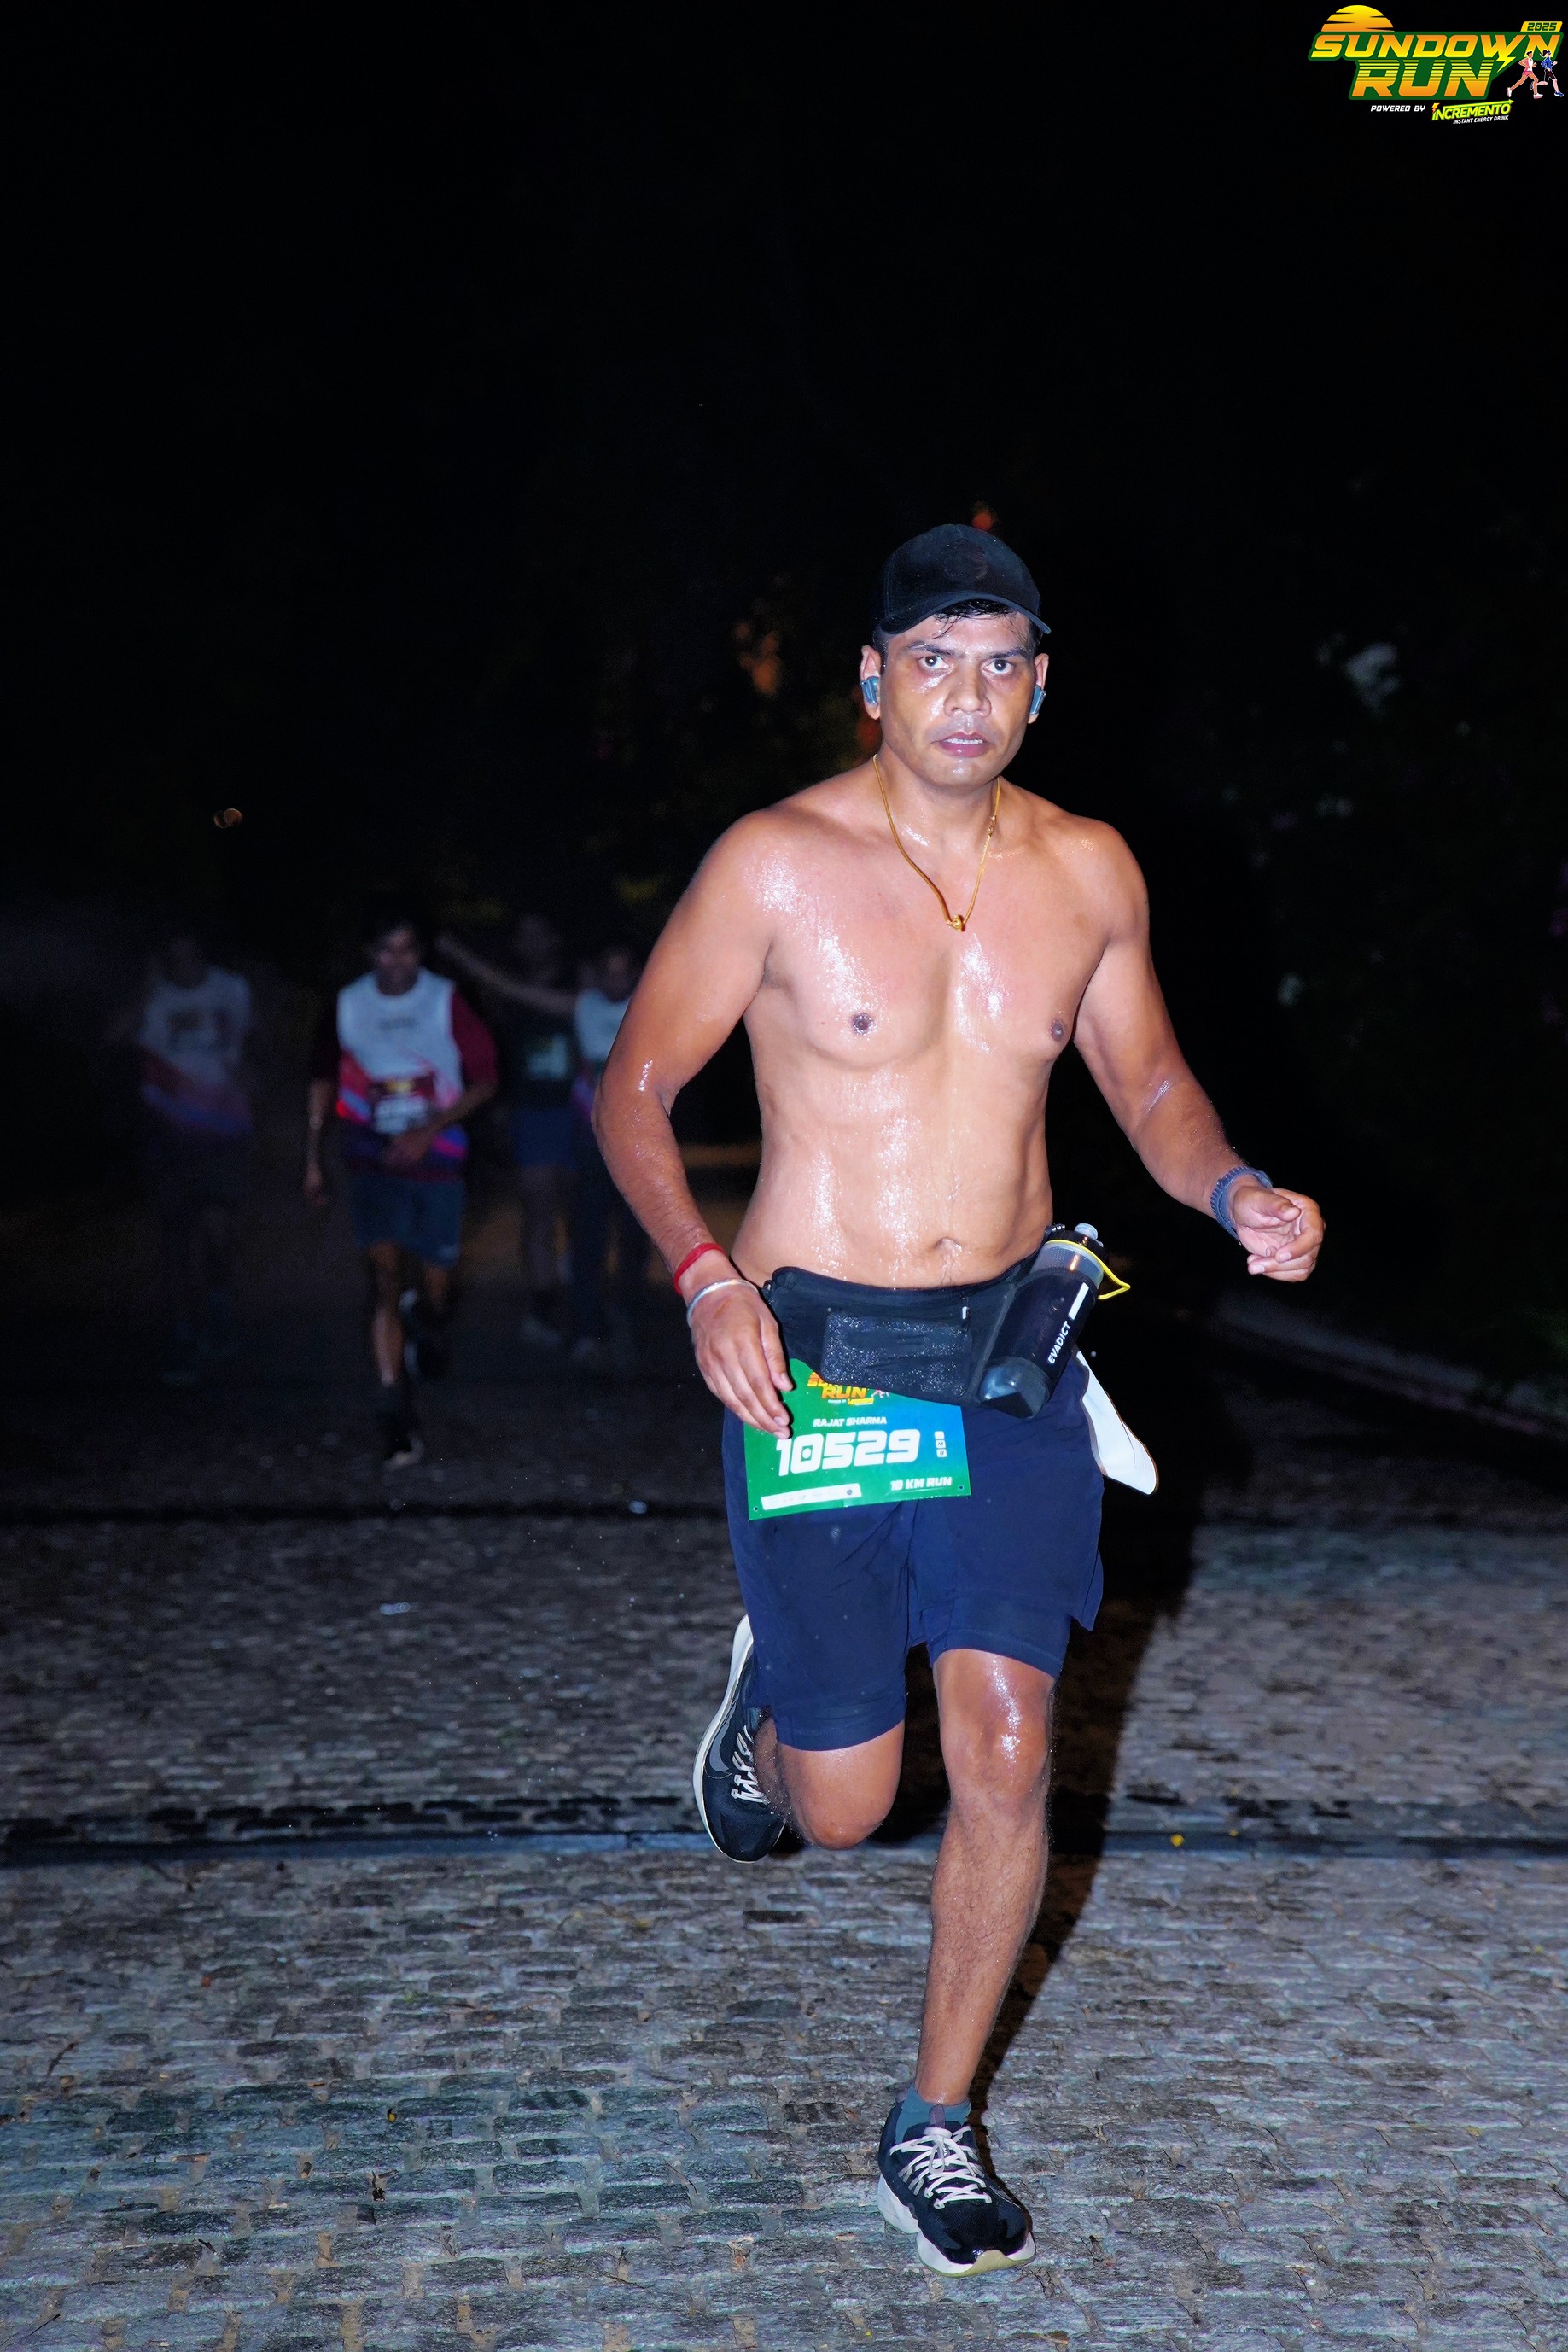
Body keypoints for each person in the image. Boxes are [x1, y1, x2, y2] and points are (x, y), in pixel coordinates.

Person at [594, 524, 1324, 2279]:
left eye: (1001, 664)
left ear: (1040, 684)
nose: (968, 695)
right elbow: (634, 1088)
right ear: (873, 679)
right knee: (845, 1807)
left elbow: (1149, 1084)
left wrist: (1233, 1188)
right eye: (934, 660)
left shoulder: (1086, 871)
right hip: (817, 1359)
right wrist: (703, 1278)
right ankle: (770, 1713)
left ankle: (932, 2124)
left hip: (1007, 1360)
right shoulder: (774, 864)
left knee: (1004, 1747)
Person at [306, 906, 497, 1467]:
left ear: (421, 951)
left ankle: (429, 1316)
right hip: (372, 1155)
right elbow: (321, 1078)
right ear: (369, 953)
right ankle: (394, 1413)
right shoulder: (346, 1004)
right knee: (384, 1279)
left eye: (407, 949)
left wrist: (429, 1128)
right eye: (386, 950)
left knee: (437, 1281)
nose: (397, 962)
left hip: (439, 1153)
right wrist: (312, 1156)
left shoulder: (445, 999)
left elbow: (487, 1078)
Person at [438, 932, 648, 1369]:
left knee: (636, 1237)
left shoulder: (651, 1007)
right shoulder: (583, 1006)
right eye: (607, 972)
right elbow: (510, 987)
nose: (615, 982)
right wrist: (455, 950)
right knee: (587, 1234)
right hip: (590, 1138)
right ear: (595, 975)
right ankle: (587, 1330)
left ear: (636, 974)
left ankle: (628, 1321)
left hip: (642, 1141)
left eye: (623, 972)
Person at [109, 926, 254, 1384]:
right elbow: (114, 1036)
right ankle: (182, 1331)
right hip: (167, 1127)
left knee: (218, 1225)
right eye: (175, 958)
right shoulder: (154, 996)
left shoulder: (231, 988)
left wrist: (252, 1082)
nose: (184, 965)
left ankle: (218, 1306)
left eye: (191, 955)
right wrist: (147, 988)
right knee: (175, 1229)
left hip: (222, 1123)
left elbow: (252, 1043)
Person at [436, 913, 577, 1346]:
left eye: (540, 934)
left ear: (556, 938)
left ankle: (584, 1306)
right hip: (531, 1114)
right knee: (538, 1211)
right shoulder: (501, 998)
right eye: (524, 936)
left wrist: (457, 951)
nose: (532, 944)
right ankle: (543, 1307)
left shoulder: (578, 981)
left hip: (582, 1113)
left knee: (579, 1211)